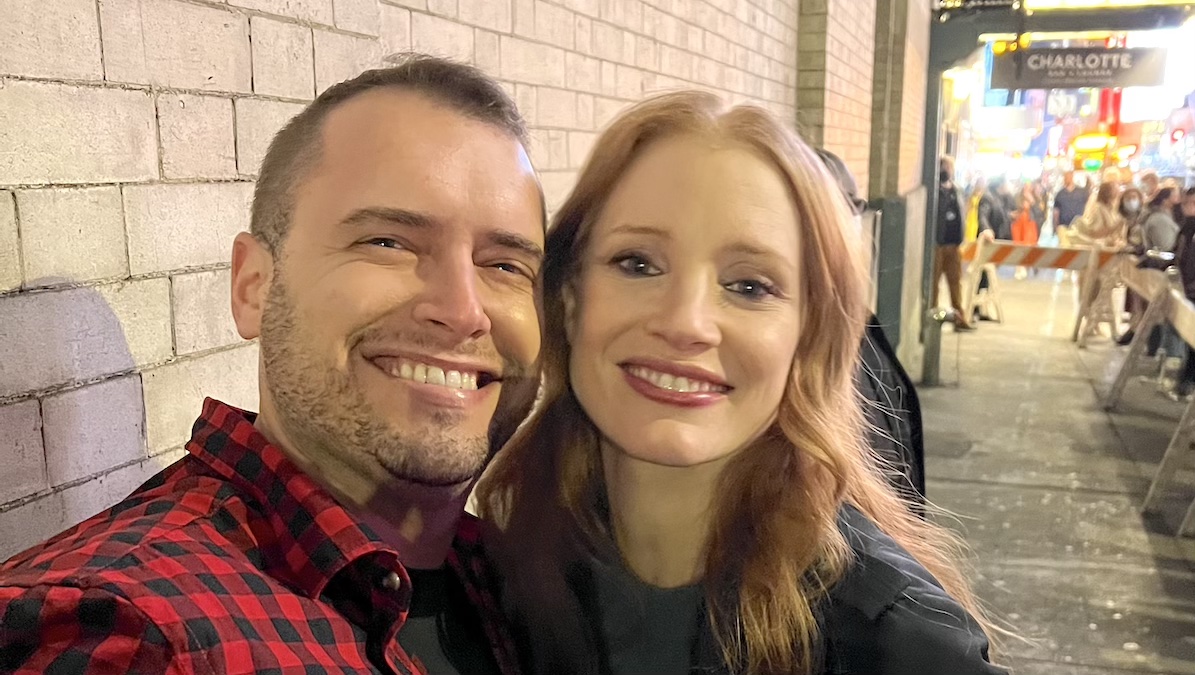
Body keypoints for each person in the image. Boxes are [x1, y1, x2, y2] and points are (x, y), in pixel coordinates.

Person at [0, 56, 545, 674]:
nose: (462, 309)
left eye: (506, 264)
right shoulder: (129, 635)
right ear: (253, 287)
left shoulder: (522, 592)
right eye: (387, 242)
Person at [477, 91, 1005, 675]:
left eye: (750, 286)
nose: (685, 323)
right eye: (637, 264)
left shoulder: (899, 644)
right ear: (570, 300)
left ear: (809, 336)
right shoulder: (501, 574)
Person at [932, 156, 974, 330]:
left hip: (953, 245)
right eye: (944, 167)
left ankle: (959, 318)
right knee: (934, 284)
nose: (947, 170)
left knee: (956, 283)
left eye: (949, 167)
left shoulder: (956, 190)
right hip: (938, 246)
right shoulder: (935, 191)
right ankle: (932, 319)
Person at [1072, 181, 1123, 248]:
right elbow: (1095, 233)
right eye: (1115, 189)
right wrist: (1113, 228)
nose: (1118, 191)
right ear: (1108, 192)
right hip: (1099, 248)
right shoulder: (1098, 208)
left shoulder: (1110, 209)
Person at [1053, 170, 1089, 234]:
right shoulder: (1060, 194)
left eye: (1067, 177)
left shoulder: (1082, 192)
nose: (1066, 179)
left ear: (1072, 177)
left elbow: (1088, 208)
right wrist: (1056, 227)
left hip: (1079, 227)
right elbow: (1056, 212)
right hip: (1064, 227)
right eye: (1065, 177)